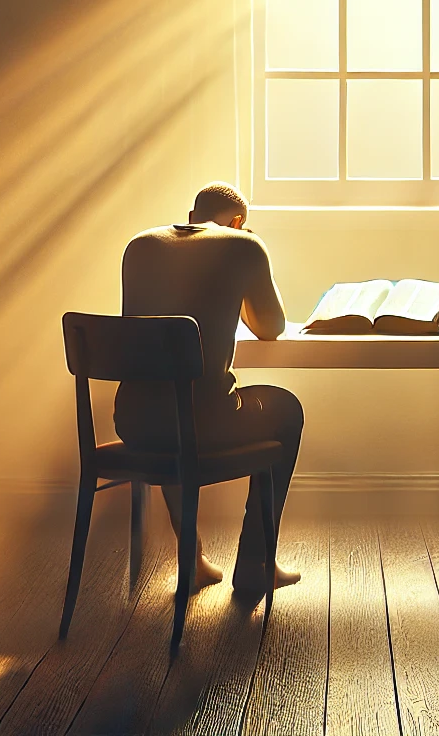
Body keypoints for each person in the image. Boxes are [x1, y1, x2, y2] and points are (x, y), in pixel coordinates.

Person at [114, 182, 302, 595]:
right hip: (204, 422)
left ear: (192, 213)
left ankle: (191, 559)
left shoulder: (140, 246)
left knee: (171, 398)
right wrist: (247, 257)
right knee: (286, 408)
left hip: (133, 420)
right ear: (237, 222)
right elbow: (271, 327)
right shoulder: (243, 246)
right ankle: (256, 563)